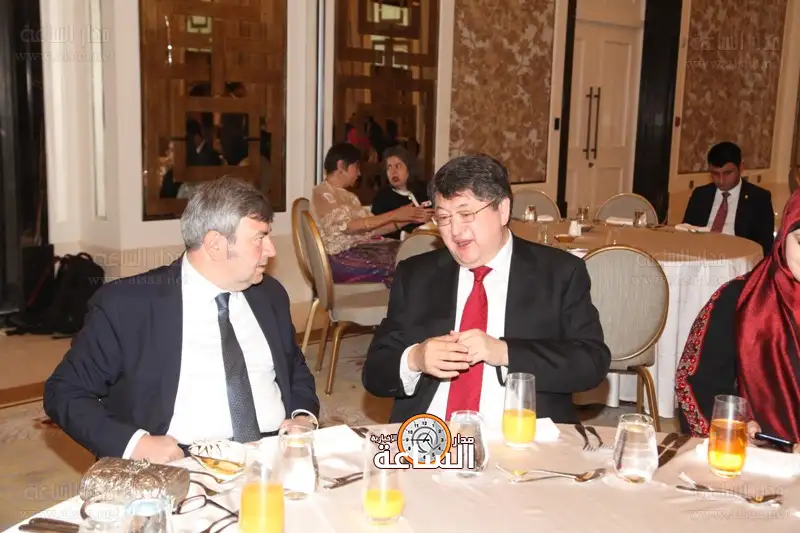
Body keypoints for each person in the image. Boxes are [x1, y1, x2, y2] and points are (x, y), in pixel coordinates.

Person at [44, 177, 320, 463]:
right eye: (259, 238)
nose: (271, 250)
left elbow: (293, 366)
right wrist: (136, 445)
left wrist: (302, 416)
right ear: (215, 244)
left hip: (275, 450)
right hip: (184, 460)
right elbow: (64, 391)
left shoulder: (269, 295)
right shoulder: (128, 305)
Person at [361, 155, 611, 428]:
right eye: (443, 218)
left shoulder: (559, 272)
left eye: (466, 214)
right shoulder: (417, 275)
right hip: (432, 431)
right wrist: (415, 358)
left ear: (502, 209)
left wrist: (505, 352)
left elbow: (591, 362)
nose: (455, 231)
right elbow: (375, 371)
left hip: (521, 432)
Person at [676, 189, 800, 443]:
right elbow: (695, 384)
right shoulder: (741, 300)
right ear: (783, 236)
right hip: (765, 452)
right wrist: (734, 423)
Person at [310, 143, 432, 286]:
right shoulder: (323, 193)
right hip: (340, 260)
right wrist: (395, 214)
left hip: (356, 251)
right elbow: (350, 226)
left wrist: (410, 218)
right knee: (405, 261)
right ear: (341, 166)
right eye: (356, 167)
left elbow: (370, 230)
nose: (359, 173)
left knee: (411, 252)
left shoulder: (349, 197)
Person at [682, 141, 775, 257]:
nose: (721, 180)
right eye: (715, 174)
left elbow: (765, 246)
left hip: (739, 259)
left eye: (727, 173)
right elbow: (685, 233)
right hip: (700, 255)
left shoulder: (759, 198)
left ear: (741, 167)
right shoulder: (700, 195)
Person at [371, 146, 430, 240]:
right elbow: (376, 230)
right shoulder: (382, 197)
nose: (393, 172)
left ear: (409, 169)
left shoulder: (425, 188)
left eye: (398, 166)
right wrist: (404, 234)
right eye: (389, 167)